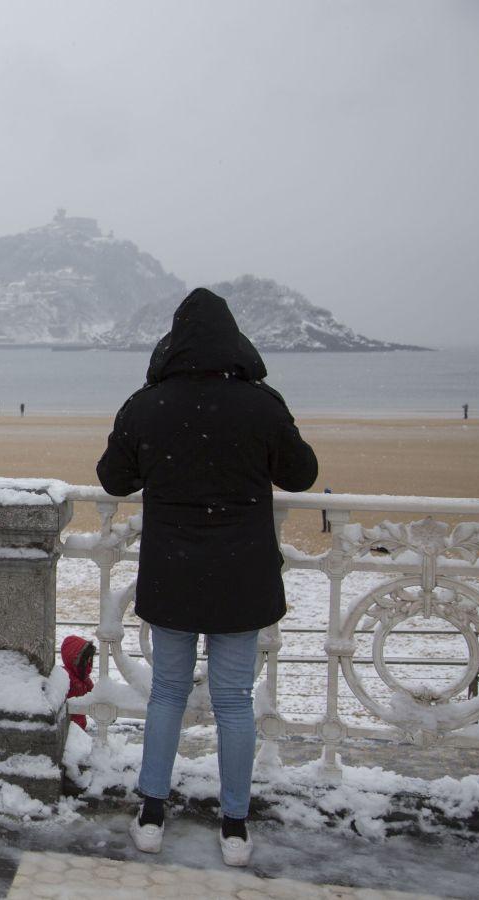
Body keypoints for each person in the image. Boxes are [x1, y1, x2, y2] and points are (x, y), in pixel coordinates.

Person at [96, 288, 317, 867]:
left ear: (173, 342)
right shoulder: (260, 404)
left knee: (168, 693)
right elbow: (301, 473)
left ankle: (151, 813)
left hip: (173, 572)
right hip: (242, 574)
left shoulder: (147, 405)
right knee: (234, 702)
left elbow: (114, 479)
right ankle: (235, 823)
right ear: (234, 341)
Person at [60, 636, 95, 732]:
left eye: (90, 658)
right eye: (86, 658)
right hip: (69, 729)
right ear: (75, 659)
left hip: (79, 727)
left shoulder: (82, 677)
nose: (89, 661)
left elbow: (94, 694)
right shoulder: (66, 677)